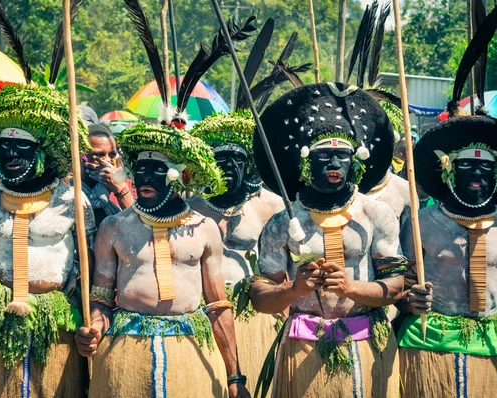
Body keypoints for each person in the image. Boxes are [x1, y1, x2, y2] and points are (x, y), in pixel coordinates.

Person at [250, 83, 405, 397]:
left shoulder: (375, 213)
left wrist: (351, 288)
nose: (334, 164)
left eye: (342, 156)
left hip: (365, 342)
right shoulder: (283, 222)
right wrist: (293, 289)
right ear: (307, 163)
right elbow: (259, 296)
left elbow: (397, 286)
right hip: (303, 346)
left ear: (354, 163)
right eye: (324, 156)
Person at [76, 123, 249, 398]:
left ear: (181, 176)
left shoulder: (204, 228)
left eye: (158, 171)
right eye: (141, 170)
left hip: (190, 348)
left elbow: (218, 307)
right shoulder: (114, 227)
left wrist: (234, 376)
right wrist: (96, 327)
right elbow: (102, 298)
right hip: (126, 349)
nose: (146, 179)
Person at [0, 85, 96, 397]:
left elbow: (90, 266)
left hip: (54, 320)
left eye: (22, 147)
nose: (10, 154)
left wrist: (92, 314)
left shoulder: (72, 201)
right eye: (4, 146)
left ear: (43, 152)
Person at [398, 116, 497, 397]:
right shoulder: (421, 223)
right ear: (449, 170)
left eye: (486, 166)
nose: (477, 174)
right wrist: (407, 300)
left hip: (492, 337)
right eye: (466, 165)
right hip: (430, 336)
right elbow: (398, 282)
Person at [188, 110, 284, 394]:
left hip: (255, 312)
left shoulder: (270, 206)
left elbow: (287, 260)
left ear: (250, 165)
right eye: (220, 159)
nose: (229, 165)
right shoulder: (191, 208)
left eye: (238, 159)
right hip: (206, 312)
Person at [78, 123, 134, 227]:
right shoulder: (70, 193)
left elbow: (137, 226)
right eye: (99, 154)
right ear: (81, 156)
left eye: (112, 154)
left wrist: (121, 190)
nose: (108, 160)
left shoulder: (122, 187)